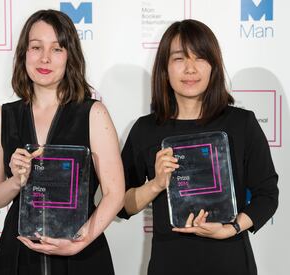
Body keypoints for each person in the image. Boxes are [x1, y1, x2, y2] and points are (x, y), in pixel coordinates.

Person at [119, 19, 278, 275]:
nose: (190, 69)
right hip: (169, 263)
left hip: (230, 260)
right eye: (180, 58)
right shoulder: (146, 129)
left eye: (200, 58)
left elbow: (267, 195)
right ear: (165, 68)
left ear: (213, 66)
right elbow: (123, 204)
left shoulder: (241, 123)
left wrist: (232, 228)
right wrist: (156, 184)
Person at [0, 9, 125, 275]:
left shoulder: (93, 113)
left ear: (70, 56)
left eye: (57, 49)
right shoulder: (2, 117)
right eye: (36, 47)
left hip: (82, 253)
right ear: (24, 53)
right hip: (19, 256)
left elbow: (115, 193)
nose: (45, 58)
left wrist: (78, 241)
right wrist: (16, 181)